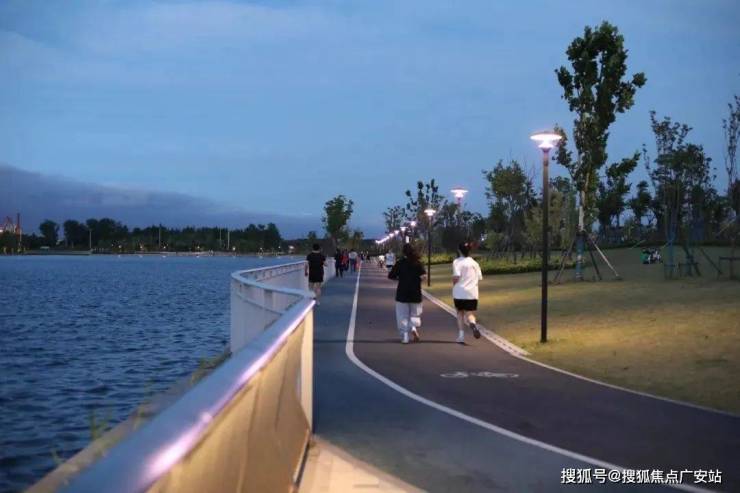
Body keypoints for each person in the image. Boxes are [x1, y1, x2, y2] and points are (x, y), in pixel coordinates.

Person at [388, 243, 425, 344]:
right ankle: (413, 327)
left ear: (403, 252)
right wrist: (417, 280)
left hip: (402, 293)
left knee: (402, 316)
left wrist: (400, 278)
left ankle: (405, 336)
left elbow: (391, 276)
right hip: (416, 293)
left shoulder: (400, 263)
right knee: (414, 315)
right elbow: (424, 277)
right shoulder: (418, 263)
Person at [452, 242, 483, 343]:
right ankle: (473, 324)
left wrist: (453, 283)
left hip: (459, 292)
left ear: (459, 250)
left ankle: (461, 336)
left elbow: (456, 277)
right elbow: (479, 277)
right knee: (469, 313)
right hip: (472, 293)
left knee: (460, 313)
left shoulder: (457, 262)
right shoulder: (475, 263)